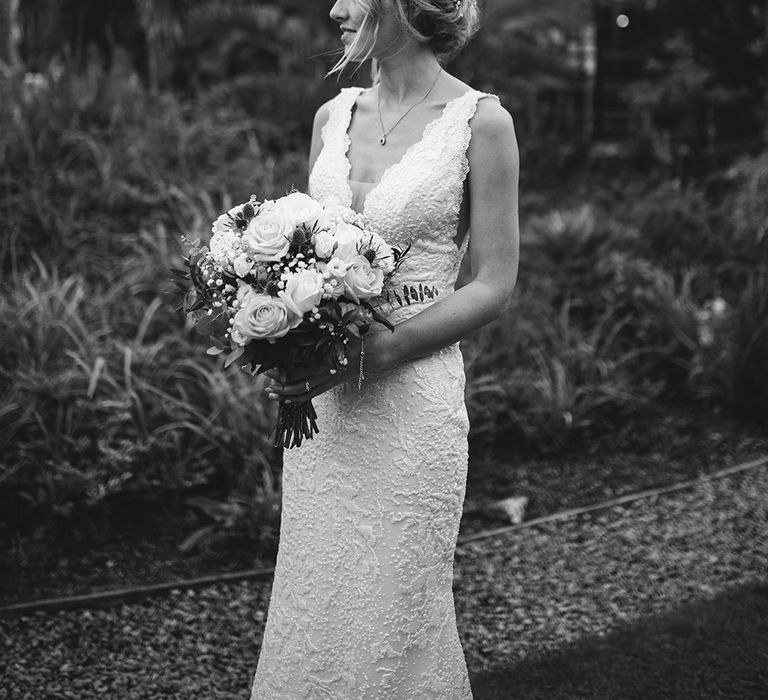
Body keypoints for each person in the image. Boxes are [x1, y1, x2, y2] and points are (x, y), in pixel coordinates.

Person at [251, 0, 519, 697]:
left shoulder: (481, 123)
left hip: (414, 407)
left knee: (397, 616)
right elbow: (304, 248)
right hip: (327, 410)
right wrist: (280, 325)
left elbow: (494, 282)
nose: (335, 8)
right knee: (318, 600)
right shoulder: (331, 117)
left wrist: (388, 350)